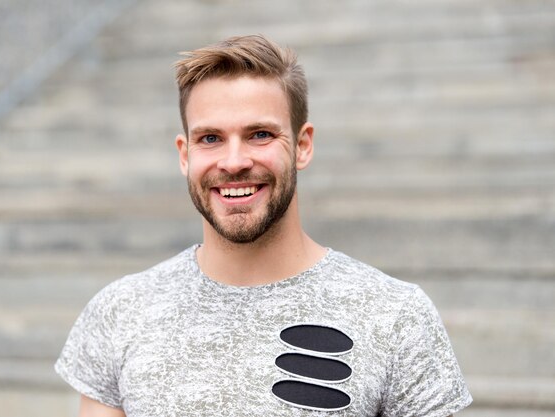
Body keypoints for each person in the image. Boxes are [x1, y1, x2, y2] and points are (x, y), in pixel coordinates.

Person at [55, 35, 472, 417]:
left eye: (259, 134)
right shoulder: (120, 311)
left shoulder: (396, 316)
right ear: (184, 155)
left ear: (303, 145)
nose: (234, 162)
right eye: (210, 139)